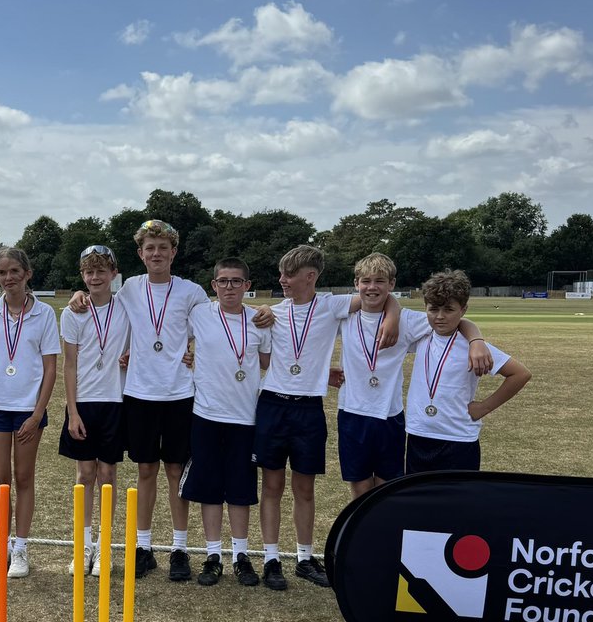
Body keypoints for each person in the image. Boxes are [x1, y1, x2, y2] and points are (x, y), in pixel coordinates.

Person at [251, 245, 399, 592]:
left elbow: (377, 297)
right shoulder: (273, 312)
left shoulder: (332, 306)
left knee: (304, 487)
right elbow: (264, 360)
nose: (282, 280)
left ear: (310, 276)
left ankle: (304, 558)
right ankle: (271, 558)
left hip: (308, 410)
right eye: (281, 274)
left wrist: (392, 316)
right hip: (272, 404)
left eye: (288, 275)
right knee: (271, 486)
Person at [69, 219, 209, 581]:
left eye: (163, 247)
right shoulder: (130, 288)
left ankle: (179, 548)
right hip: (139, 394)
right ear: (140, 254)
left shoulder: (191, 292)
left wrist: (194, 353)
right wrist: (77, 295)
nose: (157, 253)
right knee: (145, 470)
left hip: (179, 393)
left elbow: (213, 330)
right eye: (150, 248)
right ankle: (143, 548)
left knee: (176, 471)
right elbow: (96, 297)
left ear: (174, 251)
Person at [335, 253, 491, 499]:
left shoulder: (407, 320)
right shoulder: (344, 314)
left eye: (380, 281)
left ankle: (387, 535)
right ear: (356, 284)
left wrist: (476, 339)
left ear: (392, 285)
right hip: (352, 414)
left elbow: (452, 319)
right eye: (365, 281)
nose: (372, 287)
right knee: (360, 489)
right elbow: (310, 334)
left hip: (390, 416)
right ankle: (365, 537)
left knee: (388, 489)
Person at [180, 258, 272, 587]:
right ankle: (213, 555)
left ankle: (242, 556)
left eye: (236, 281)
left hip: (245, 417)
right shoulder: (200, 314)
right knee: (209, 488)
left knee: (240, 488)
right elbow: (166, 335)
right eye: (223, 281)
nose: (229, 287)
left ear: (248, 285)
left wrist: (267, 311)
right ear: (213, 285)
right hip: (206, 414)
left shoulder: (260, 320)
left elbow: (267, 362)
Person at [0, 247, 59, 578]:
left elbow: (50, 368)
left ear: (27, 274)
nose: (9, 278)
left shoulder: (45, 314)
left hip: (27, 410)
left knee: (23, 478)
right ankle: (3, 545)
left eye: (14, 272)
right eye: (2, 273)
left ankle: (21, 548)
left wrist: (37, 414)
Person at [404, 269, 531, 472]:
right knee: (419, 500)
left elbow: (520, 374)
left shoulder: (475, 348)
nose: (440, 317)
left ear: (463, 310)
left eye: (449, 309)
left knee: (459, 502)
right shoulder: (420, 335)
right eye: (433, 309)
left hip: (458, 438)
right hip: (419, 434)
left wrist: (485, 407)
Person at [59, 244, 130, 576]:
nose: (95, 277)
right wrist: (72, 411)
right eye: (89, 272)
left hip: (116, 401)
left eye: (102, 271)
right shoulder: (73, 312)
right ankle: (83, 546)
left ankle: (104, 547)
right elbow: (69, 365)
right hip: (84, 402)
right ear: (82, 276)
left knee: (108, 476)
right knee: (85, 475)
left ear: (114, 274)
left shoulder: (128, 306)